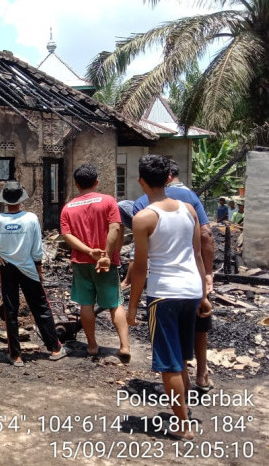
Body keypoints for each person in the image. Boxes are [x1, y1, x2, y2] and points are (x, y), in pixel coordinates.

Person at [128, 155, 209, 440]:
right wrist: (203, 294)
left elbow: (140, 267)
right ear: (169, 179)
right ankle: (184, 412)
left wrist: (132, 307)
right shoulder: (189, 209)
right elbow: (197, 254)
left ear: (140, 181)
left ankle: (183, 424)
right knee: (181, 360)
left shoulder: (143, 217)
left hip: (163, 295)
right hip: (190, 290)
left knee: (169, 364)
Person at [0, 181, 68, 367]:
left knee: (11, 311)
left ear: (5, 200)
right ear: (21, 198)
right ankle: (55, 349)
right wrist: (39, 271)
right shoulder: (31, 218)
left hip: (7, 268)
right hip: (28, 268)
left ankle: (16, 356)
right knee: (41, 308)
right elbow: (37, 250)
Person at [60, 164, 129, 361]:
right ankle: (124, 346)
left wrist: (89, 251)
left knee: (86, 304)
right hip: (106, 262)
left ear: (76, 184)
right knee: (115, 304)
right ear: (96, 182)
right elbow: (115, 228)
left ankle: (91, 345)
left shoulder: (68, 208)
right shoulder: (108, 201)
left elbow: (67, 235)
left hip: (81, 262)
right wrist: (105, 255)